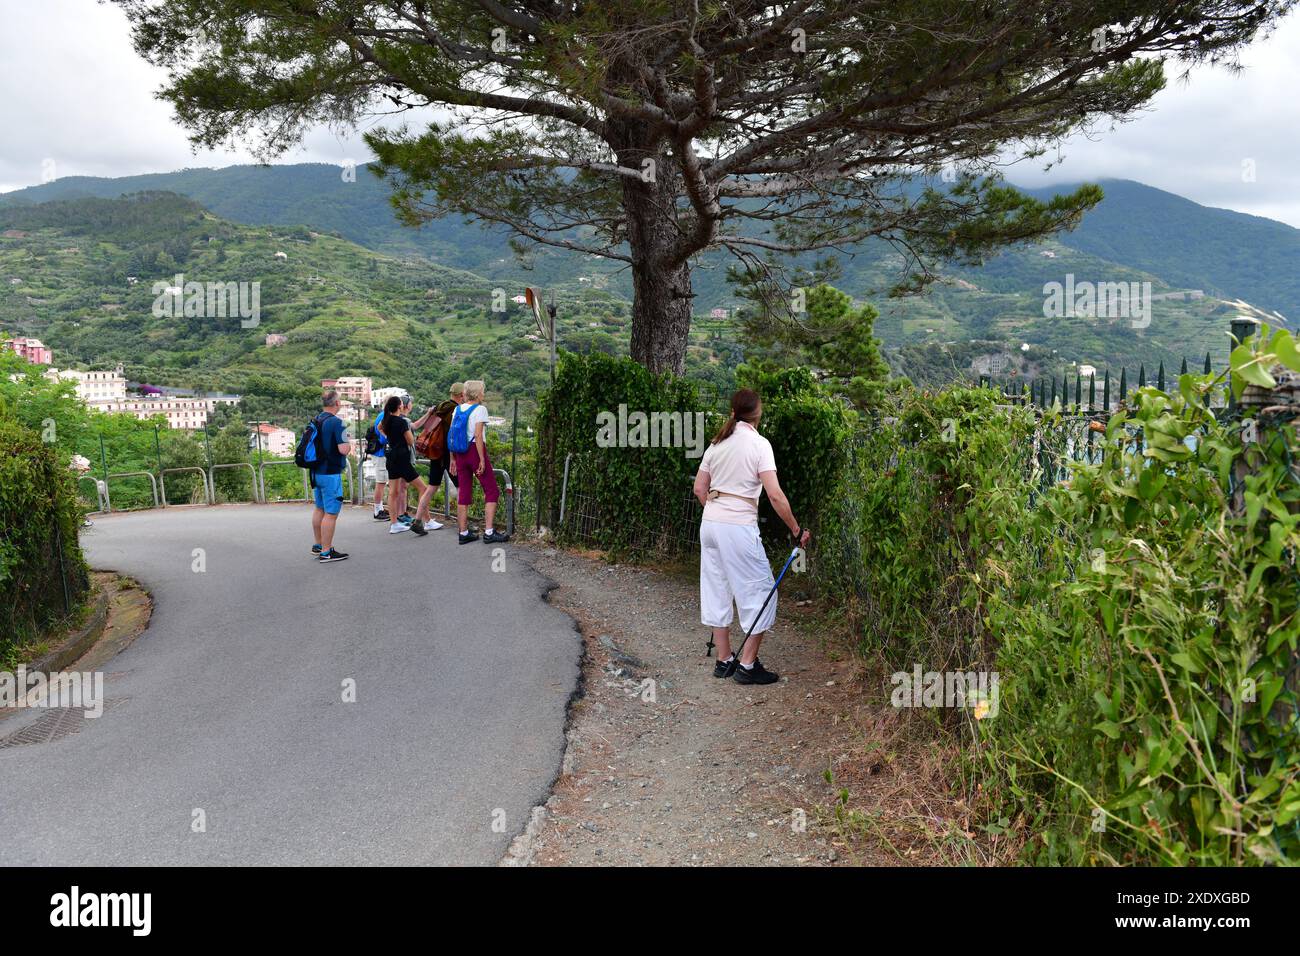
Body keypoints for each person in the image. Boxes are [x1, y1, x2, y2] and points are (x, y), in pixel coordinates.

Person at [692, 388, 809, 685]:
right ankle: (747, 665)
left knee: (717, 587)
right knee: (760, 591)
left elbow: (699, 489)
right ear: (758, 414)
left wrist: (718, 511)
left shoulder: (716, 445)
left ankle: (724, 659)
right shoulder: (759, 445)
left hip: (710, 524)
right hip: (738, 526)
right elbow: (775, 494)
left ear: (734, 412)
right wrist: (796, 529)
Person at [449, 379, 509, 544]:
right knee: (491, 490)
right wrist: (482, 459)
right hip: (474, 451)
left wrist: (452, 458)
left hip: (459, 453)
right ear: (477, 393)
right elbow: (477, 435)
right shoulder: (480, 409)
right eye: (482, 390)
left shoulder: (458, 409)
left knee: (464, 493)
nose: (484, 393)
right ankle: (489, 532)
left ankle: (463, 533)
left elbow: (452, 435)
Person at [378, 395, 434, 536]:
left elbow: (380, 428)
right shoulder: (401, 422)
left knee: (393, 492)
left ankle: (394, 524)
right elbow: (410, 441)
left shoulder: (386, 420)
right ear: (399, 407)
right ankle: (421, 519)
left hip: (391, 459)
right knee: (423, 488)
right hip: (403, 459)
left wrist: (390, 438)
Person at [310, 389, 352, 563]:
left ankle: (319, 544)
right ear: (337, 403)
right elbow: (344, 449)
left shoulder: (316, 420)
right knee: (331, 513)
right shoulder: (339, 423)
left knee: (319, 509)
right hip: (331, 473)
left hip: (316, 472)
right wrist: (348, 442)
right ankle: (326, 552)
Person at [412, 382, 462, 504]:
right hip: (448, 453)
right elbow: (453, 434)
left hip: (435, 451)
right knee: (461, 487)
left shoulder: (440, 406)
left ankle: (419, 518)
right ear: (462, 394)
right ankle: (462, 521)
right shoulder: (456, 410)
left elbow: (429, 426)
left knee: (432, 487)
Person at [367, 403, 390, 521]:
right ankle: (377, 511)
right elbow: (383, 438)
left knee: (382, 482)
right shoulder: (384, 417)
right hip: (380, 454)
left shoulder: (382, 415)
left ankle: (380, 508)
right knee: (381, 482)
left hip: (379, 454)